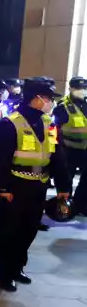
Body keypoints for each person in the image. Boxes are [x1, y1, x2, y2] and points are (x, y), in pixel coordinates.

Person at [0, 80, 72, 291]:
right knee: (9, 231)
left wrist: (64, 186)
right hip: (15, 187)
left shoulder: (48, 123)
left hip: (39, 186)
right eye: (49, 98)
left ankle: (17, 267)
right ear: (37, 98)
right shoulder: (10, 123)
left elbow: (57, 156)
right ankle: (5, 272)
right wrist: (3, 188)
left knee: (29, 229)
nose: (51, 102)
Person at [53, 76, 87, 215]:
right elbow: (55, 128)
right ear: (71, 88)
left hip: (85, 150)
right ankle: (64, 207)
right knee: (66, 180)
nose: (81, 91)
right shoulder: (63, 106)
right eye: (78, 88)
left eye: (84, 88)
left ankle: (80, 204)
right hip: (68, 149)